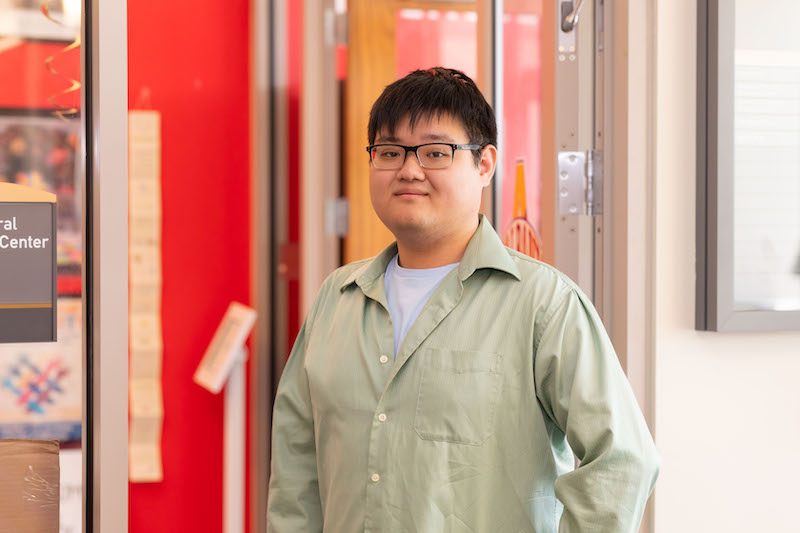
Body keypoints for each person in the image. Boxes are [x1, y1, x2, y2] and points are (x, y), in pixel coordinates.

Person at [267, 67, 659, 533]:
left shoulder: (543, 304)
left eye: (436, 152)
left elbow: (622, 461)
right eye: (389, 152)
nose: (409, 170)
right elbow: (296, 466)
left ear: (485, 165)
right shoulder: (337, 298)